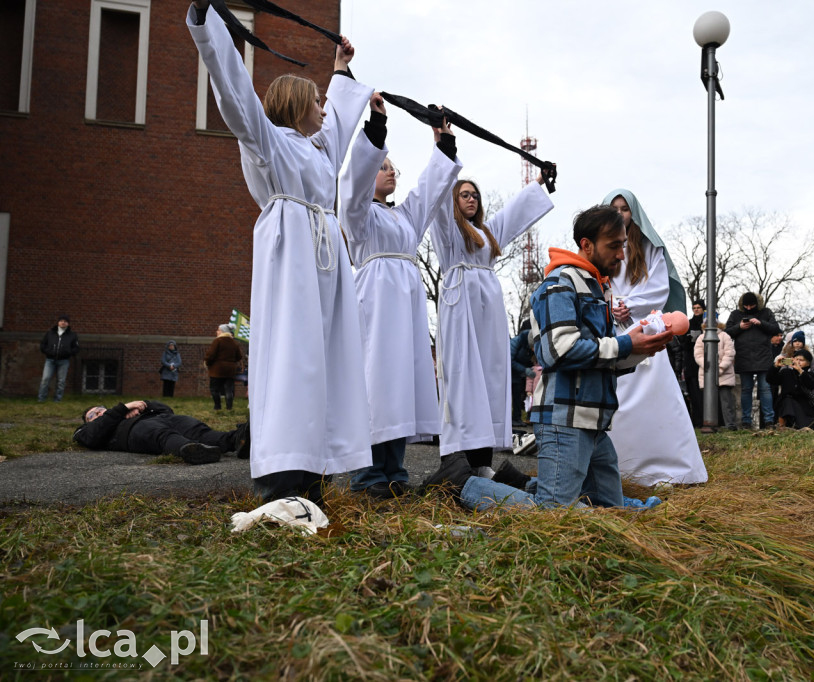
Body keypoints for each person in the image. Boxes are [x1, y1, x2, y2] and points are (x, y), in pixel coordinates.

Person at [188, 1, 373, 504]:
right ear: (294, 103)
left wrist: (340, 71)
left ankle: (315, 465)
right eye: (316, 100)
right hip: (290, 253)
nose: (323, 108)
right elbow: (234, 94)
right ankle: (281, 472)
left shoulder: (319, 151)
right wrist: (209, 22)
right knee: (290, 354)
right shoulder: (267, 141)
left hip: (326, 262)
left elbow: (338, 125)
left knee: (324, 356)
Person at [419, 204, 673, 509]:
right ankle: (462, 484)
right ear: (586, 245)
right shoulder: (560, 285)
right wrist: (625, 345)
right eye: (614, 245)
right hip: (564, 421)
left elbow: (600, 357)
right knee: (553, 513)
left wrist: (639, 348)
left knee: (608, 509)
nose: (621, 254)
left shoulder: (596, 288)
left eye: (623, 245)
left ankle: (512, 481)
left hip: (592, 420)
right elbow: (559, 351)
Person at [339, 94, 461, 498]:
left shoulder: (403, 217)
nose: (393, 172)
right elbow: (353, 185)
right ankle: (368, 475)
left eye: (393, 167)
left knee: (400, 386)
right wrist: (376, 127)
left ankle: (394, 472)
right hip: (375, 303)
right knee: (377, 385)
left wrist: (442, 142)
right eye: (384, 167)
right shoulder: (359, 216)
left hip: (405, 307)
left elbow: (428, 191)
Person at [430, 167, 554, 475]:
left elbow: (514, 212)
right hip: (460, 307)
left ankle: (483, 461)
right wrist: (445, 153)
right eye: (464, 195)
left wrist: (539, 182)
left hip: (489, 313)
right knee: (463, 376)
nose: (471, 199)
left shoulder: (486, 233)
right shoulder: (449, 232)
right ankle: (457, 460)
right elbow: (438, 200)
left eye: (475, 195)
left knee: (489, 378)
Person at [603, 189, 706, 484]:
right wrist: (611, 306)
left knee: (655, 396)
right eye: (614, 208)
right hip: (609, 325)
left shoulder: (650, 248)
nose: (620, 213)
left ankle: (668, 465)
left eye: (625, 208)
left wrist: (628, 306)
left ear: (633, 213)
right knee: (616, 395)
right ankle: (619, 467)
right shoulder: (600, 248)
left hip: (642, 323)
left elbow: (660, 288)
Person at [74, 400, 249, 465]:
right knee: (162, 435)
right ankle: (192, 451)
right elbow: (92, 437)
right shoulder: (85, 430)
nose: (98, 413)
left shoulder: (128, 411)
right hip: (133, 431)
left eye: (100, 410)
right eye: (93, 415)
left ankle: (238, 440)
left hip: (162, 418)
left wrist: (143, 404)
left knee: (196, 428)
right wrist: (123, 408)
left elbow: (167, 409)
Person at [725, 292, 781, 429]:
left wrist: (761, 323)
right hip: (744, 357)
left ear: (757, 303)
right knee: (746, 389)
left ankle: (768, 420)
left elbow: (776, 329)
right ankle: (746, 421)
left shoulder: (766, 312)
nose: (749, 308)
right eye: (746, 305)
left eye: (752, 305)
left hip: (763, 356)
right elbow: (727, 333)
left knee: (765, 389)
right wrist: (739, 327)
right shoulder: (735, 314)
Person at [693, 317, 737, 430]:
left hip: (724, 375)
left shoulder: (725, 336)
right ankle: (711, 425)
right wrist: (709, 368)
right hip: (707, 375)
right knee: (710, 402)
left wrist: (720, 368)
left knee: (726, 402)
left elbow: (730, 354)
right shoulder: (701, 338)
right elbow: (698, 355)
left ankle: (730, 425)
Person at [767, 349, 814, 429]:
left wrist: (800, 371)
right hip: (785, 404)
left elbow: (811, 385)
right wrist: (775, 366)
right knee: (787, 400)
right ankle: (781, 425)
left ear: (808, 363)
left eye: (801, 360)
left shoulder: (810, 375)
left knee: (806, 425)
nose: (798, 362)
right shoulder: (786, 372)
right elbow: (770, 379)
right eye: (796, 359)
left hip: (802, 406)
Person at [38, 314, 80, 402]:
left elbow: (76, 348)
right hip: (50, 360)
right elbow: (43, 344)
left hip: (64, 361)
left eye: (65, 321)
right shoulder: (50, 333)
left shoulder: (72, 335)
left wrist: (68, 353)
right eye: (61, 321)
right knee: (45, 379)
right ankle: (41, 398)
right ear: (58, 322)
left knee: (61, 381)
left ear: (68, 324)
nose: (63, 323)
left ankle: (57, 399)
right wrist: (48, 351)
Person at [205, 324, 243, 411]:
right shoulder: (234, 343)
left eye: (218, 330)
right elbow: (239, 357)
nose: (216, 331)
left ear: (222, 331)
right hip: (230, 370)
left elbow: (210, 355)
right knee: (229, 390)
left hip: (217, 369)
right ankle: (229, 408)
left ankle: (217, 407)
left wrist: (207, 362)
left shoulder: (217, 341)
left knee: (214, 389)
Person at [509, 322, 534, 426]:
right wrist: (524, 370)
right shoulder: (516, 342)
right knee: (510, 397)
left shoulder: (530, 348)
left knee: (518, 397)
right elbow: (509, 360)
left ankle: (517, 418)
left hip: (520, 375)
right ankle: (508, 420)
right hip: (510, 374)